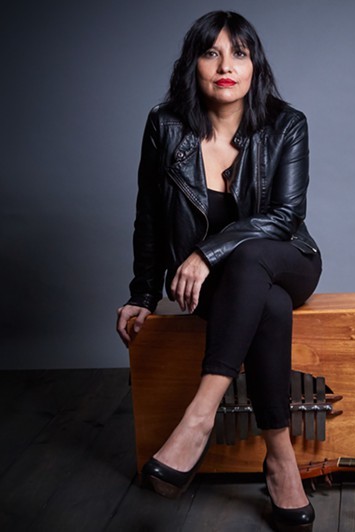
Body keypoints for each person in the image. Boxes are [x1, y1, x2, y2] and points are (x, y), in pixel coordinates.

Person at [115, 10, 321, 531]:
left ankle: (199, 417)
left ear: (255, 66)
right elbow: (149, 217)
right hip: (220, 290)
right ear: (193, 64)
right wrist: (142, 294)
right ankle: (281, 459)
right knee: (268, 305)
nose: (226, 66)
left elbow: (284, 217)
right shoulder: (165, 126)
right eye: (212, 53)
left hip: (288, 259)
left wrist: (206, 253)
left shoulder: (286, 123)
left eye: (239, 54)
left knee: (252, 258)